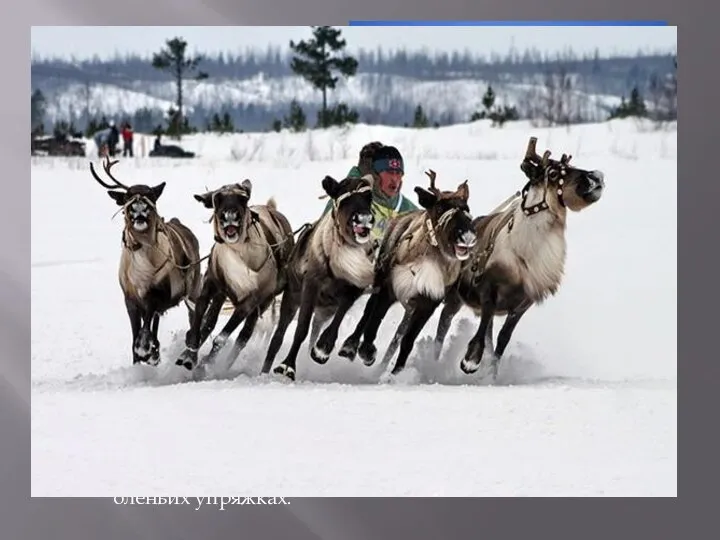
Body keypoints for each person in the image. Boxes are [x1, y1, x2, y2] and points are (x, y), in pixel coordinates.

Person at [322, 142, 418, 241]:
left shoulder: (403, 206)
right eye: (389, 172)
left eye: (398, 173)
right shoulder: (345, 200)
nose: (394, 179)